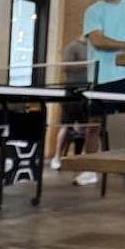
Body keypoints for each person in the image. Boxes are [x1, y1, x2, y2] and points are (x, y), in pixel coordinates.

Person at [74, 0, 125, 187]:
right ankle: (90, 170)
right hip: (101, 74)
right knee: (93, 125)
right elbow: (98, 40)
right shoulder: (93, 10)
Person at [50, 36, 88, 171]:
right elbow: (65, 67)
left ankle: (84, 158)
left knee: (88, 126)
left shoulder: (95, 48)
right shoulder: (72, 46)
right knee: (66, 125)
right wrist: (86, 64)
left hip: (89, 90)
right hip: (72, 90)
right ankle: (57, 156)